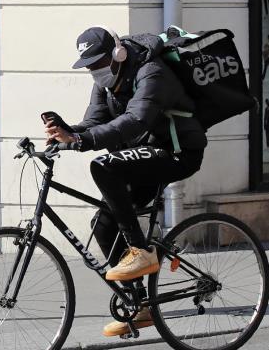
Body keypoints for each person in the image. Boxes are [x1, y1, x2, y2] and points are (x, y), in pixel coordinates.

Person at [44, 26, 207, 338]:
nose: (95, 71)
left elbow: (135, 121)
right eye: (89, 66)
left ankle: (140, 251)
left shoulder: (151, 72)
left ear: (118, 54)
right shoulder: (103, 84)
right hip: (140, 156)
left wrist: (80, 140)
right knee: (103, 225)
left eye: (98, 63)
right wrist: (66, 132)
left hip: (176, 152)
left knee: (103, 166)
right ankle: (140, 306)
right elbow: (94, 122)